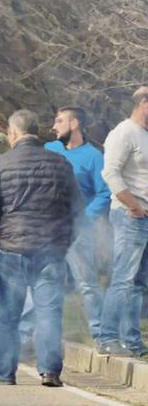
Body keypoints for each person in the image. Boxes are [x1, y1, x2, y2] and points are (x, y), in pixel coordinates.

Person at [0, 110, 82, 387]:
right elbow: (76, 208)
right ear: (38, 132)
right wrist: (64, 241)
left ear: (12, 134)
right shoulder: (61, 164)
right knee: (49, 313)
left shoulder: (2, 163)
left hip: (12, 249)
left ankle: (3, 374)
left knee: (9, 315)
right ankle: (50, 371)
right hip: (50, 251)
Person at [19, 106, 110, 346]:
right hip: (47, 231)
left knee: (87, 284)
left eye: (60, 121)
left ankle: (101, 337)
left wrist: (83, 218)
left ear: (75, 124)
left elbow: (105, 193)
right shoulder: (49, 150)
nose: (53, 126)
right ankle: (23, 337)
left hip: (78, 234)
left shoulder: (93, 157)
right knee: (39, 281)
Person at [97, 87, 148, 358]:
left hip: (144, 217)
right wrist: (134, 206)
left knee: (138, 283)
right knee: (123, 280)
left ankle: (133, 343)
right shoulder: (123, 132)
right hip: (129, 216)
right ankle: (107, 338)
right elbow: (110, 173)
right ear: (143, 103)